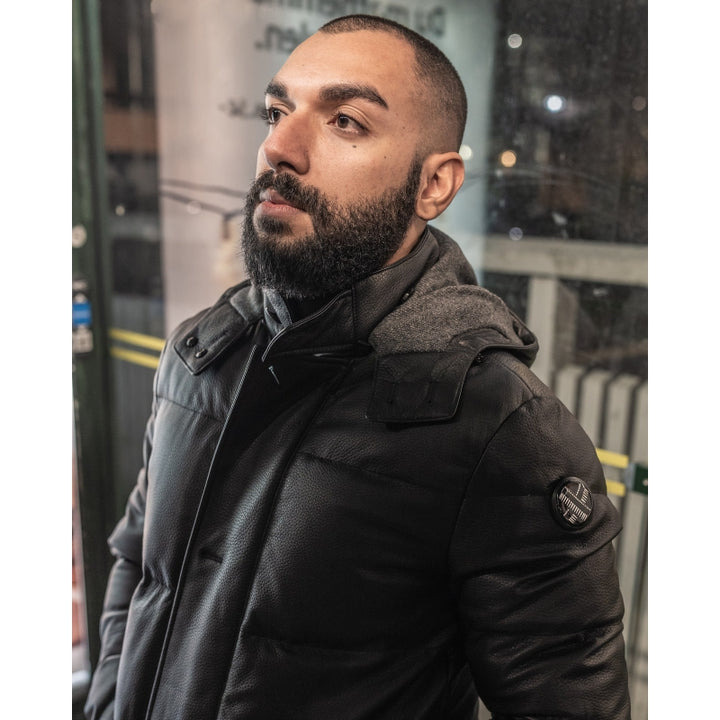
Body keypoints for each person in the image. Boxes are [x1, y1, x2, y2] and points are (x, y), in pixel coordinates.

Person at [85, 14, 631, 720]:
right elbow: (139, 571)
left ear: (434, 185)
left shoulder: (498, 426)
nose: (279, 148)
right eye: (276, 112)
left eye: (345, 121)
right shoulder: (199, 353)